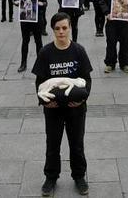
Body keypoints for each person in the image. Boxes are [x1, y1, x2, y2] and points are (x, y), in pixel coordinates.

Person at [31, 12, 92, 197]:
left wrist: (81, 99)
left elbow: (87, 81)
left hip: (76, 109)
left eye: (64, 28)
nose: (61, 32)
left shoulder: (78, 51)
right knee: (52, 144)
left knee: (77, 144)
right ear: (53, 30)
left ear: (70, 28)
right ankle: (51, 177)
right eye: (57, 28)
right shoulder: (45, 52)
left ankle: (79, 176)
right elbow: (39, 83)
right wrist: (44, 102)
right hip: (53, 110)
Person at [16, 0, 47, 72]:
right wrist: (16, 3)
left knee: (38, 41)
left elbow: (45, 3)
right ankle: (23, 63)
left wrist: (41, 4)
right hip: (25, 19)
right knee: (25, 41)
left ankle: (41, 64)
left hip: (37, 18)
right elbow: (19, 1)